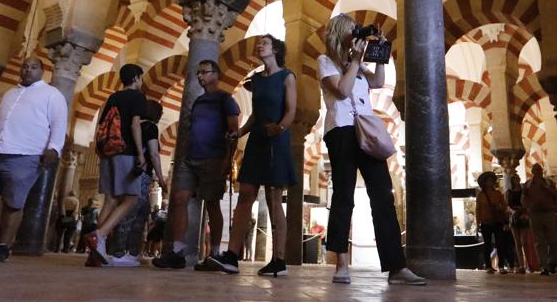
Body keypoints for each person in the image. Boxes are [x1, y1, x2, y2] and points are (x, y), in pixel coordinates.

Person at [315, 14, 425, 286]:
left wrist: (380, 53)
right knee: (343, 195)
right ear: (340, 32)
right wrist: (354, 61)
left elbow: (376, 83)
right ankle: (341, 263)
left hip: (366, 131)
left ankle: (396, 267)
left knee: (382, 195)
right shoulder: (326, 61)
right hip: (341, 131)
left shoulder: (358, 64)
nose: (357, 33)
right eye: (353, 30)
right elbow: (341, 90)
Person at [208, 35, 296, 277]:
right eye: (260, 44)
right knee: (245, 193)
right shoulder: (256, 79)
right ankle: (232, 256)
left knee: (274, 198)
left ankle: (279, 261)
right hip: (257, 140)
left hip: (276, 141)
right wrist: (240, 132)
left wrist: (280, 128)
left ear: (276, 50)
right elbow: (256, 114)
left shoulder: (287, 76)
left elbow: (291, 110)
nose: (260, 46)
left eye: (265, 43)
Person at [0, 58, 67, 263]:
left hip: (26, 154)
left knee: (13, 202)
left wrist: (54, 148)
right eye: (25, 67)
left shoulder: (51, 94)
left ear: (42, 71)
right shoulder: (9, 94)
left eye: (33, 67)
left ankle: (3, 246)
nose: (28, 70)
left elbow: (59, 122)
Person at [153, 59, 240, 270]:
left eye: (204, 72)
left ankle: (216, 253)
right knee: (180, 198)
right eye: (198, 72)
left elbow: (234, 132)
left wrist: (228, 160)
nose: (200, 76)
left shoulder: (225, 99)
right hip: (190, 158)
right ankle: (178, 252)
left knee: (211, 203)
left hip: (213, 158)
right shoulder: (199, 101)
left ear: (215, 74)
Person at [84, 63, 147, 267]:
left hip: (107, 153)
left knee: (110, 199)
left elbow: (102, 125)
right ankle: (100, 235)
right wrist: (139, 152)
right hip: (125, 152)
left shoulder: (113, 97)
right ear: (136, 78)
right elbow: (135, 124)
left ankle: (95, 254)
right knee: (131, 198)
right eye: (141, 78)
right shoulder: (137, 97)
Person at [112, 101, 168, 263]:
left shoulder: (134, 126)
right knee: (134, 213)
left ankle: (130, 251)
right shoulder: (150, 127)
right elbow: (153, 154)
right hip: (141, 174)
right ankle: (122, 253)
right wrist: (161, 178)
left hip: (126, 172)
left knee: (137, 211)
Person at [522, 163, 557, 275]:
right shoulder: (528, 185)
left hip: (549, 213)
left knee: (553, 240)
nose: (538, 172)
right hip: (535, 214)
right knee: (539, 242)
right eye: (535, 170)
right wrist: (528, 208)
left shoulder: (549, 183)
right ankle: (544, 266)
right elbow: (523, 199)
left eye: (539, 170)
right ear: (532, 172)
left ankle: (552, 263)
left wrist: (547, 189)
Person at [476, 172, 515, 273]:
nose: (492, 182)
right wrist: (478, 223)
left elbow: (504, 206)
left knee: (500, 243)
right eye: (489, 180)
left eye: (492, 180)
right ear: (484, 182)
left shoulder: (498, 193)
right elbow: (478, 209)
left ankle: (501, 266)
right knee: (487, 244)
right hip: (486, 222)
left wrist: (501, 209)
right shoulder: (480, 195)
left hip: (497, 221)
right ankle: (488, 266)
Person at [507, 173, 533, 274]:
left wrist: (526, 212)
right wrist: (512, 212)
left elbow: (528, 203)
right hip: (514, 218)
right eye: (515, 179)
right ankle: (521, 264)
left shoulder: (523, 191)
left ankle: (529, 264)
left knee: (525, 242)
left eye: (518, 178)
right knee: (517, 243)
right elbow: (508, 205)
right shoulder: (509, 192)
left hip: (523, 216)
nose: (517, 180)